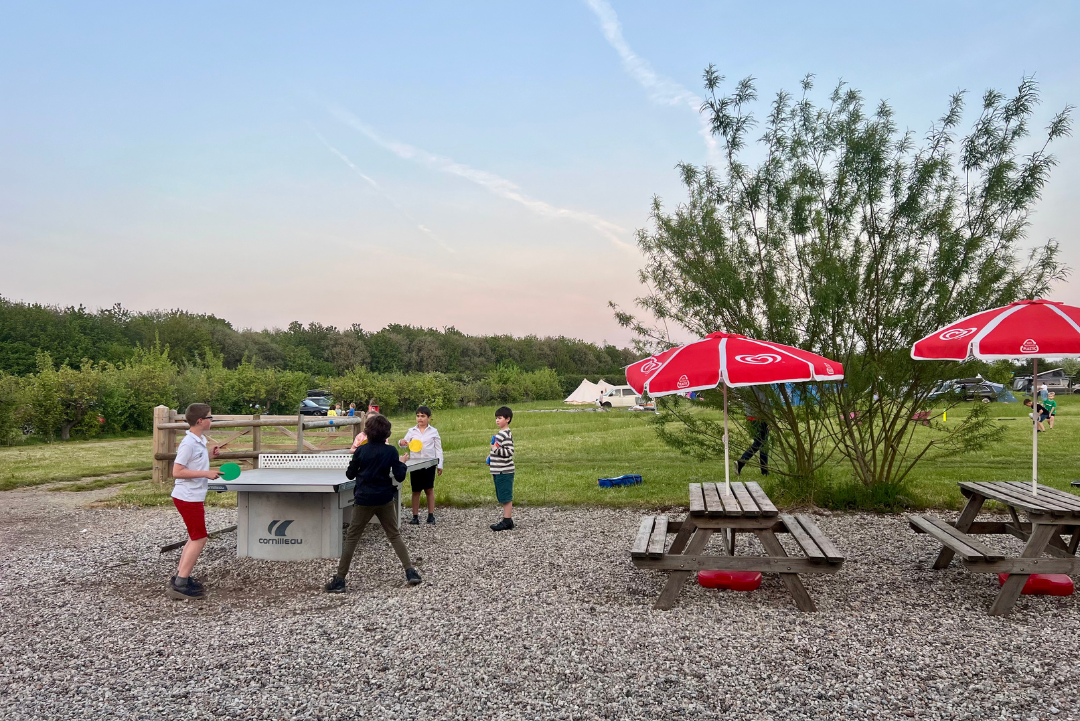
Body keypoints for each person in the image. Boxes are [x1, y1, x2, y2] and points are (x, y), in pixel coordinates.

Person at [325, 413, 422, 593]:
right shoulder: (391, 451)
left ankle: (340, 580)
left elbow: (350, 475)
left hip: (363, 499)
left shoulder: (361, 451)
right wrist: (402, 463)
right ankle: (410, 572)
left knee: (352, 537)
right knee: (394, 535)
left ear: (367, 432)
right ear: (387, 434)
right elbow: (400, 476)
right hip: (384, 498)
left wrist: (355, 464)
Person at [167, 403, 221, 600]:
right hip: (187, 497)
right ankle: (181, 583)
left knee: (194, 536)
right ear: (200, 421)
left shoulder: (199, 440)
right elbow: (177, 471)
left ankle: (180, 579)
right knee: (199, 538)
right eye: (210, 417)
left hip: (193, 496)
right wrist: (206, 473)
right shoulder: (188, 443)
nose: (211, 420)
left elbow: (194, 461)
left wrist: (209, 456)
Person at [398, 405, 444, 525]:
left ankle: (431, 515)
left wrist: (440, 464)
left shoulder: (433, 431)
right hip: (415, 464)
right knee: (416, 490)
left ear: (428, 417)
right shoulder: (411, 431)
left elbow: (438, 449)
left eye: (423, 416)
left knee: (429, 489)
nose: (420, 419)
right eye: (418, 416)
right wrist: (401, 442)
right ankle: (415, 516)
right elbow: (404, 443)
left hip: (429, 464)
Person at [488, 406, 516, 531]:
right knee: (502, 495)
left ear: (508, 419)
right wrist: (491, 456)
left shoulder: (506, 434)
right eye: (496, 418)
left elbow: (509, 451)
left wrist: (495, 450)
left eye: (500, 418)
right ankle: (507, 519)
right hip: (497, 469)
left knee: (506, 496)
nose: (497, 420)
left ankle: (507, 521)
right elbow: (498, 450)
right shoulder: (500, 433)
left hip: (504, 470)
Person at [736, 388, 769, 476]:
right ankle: (763, 470)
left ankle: (763, 470)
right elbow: (763, 402)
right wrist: (770, 419)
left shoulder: (747, 386)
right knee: (763, 444)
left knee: (759, 443)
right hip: (760, 419)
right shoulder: (760, 385)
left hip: (750, 418)